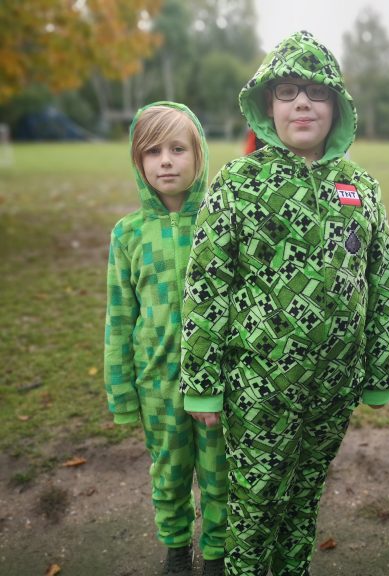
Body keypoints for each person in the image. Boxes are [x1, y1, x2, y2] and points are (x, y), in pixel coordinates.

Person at [180, 30, 389, 576]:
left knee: (303, 501)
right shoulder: (237, 183)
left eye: (316, 91)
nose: (302, 102)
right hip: (258, 388)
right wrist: (202, 386)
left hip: (333, 388)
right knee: (255, 511)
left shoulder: (363, 189)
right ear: (266, 103)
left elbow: (381, 285)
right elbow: (208, 284)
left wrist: (378, 372)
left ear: (337, 105)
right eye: (287, 91)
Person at [103, 101, 228, 576]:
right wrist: (121, 390)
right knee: (170, 475)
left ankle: (217, 552)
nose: (166, 161)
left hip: (216, 385)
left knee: (219, 475)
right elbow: (119, 317)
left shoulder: (219, 223)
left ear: (199, 154)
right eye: (152, 151)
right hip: (156, 384)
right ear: (138, 162)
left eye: (177, 148)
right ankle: (177, 549)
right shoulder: (128, 234)